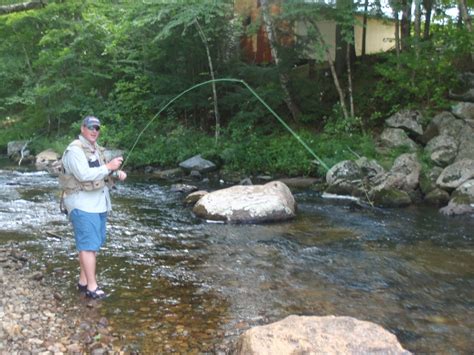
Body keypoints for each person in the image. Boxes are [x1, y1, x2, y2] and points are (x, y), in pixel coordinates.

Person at [59, 115, 127, 299]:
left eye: (97, 128)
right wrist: (109, 167)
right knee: (88, 246)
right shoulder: (74, 150)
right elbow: (83, 174)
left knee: (92, 245)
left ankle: (83, 281)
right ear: (82, 128)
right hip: (81, 203)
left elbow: (102, 170)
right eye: (90, 127)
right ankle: (92, 287)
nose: (94, 131)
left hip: (98, 204)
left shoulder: (96, 150)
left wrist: (117, 172)